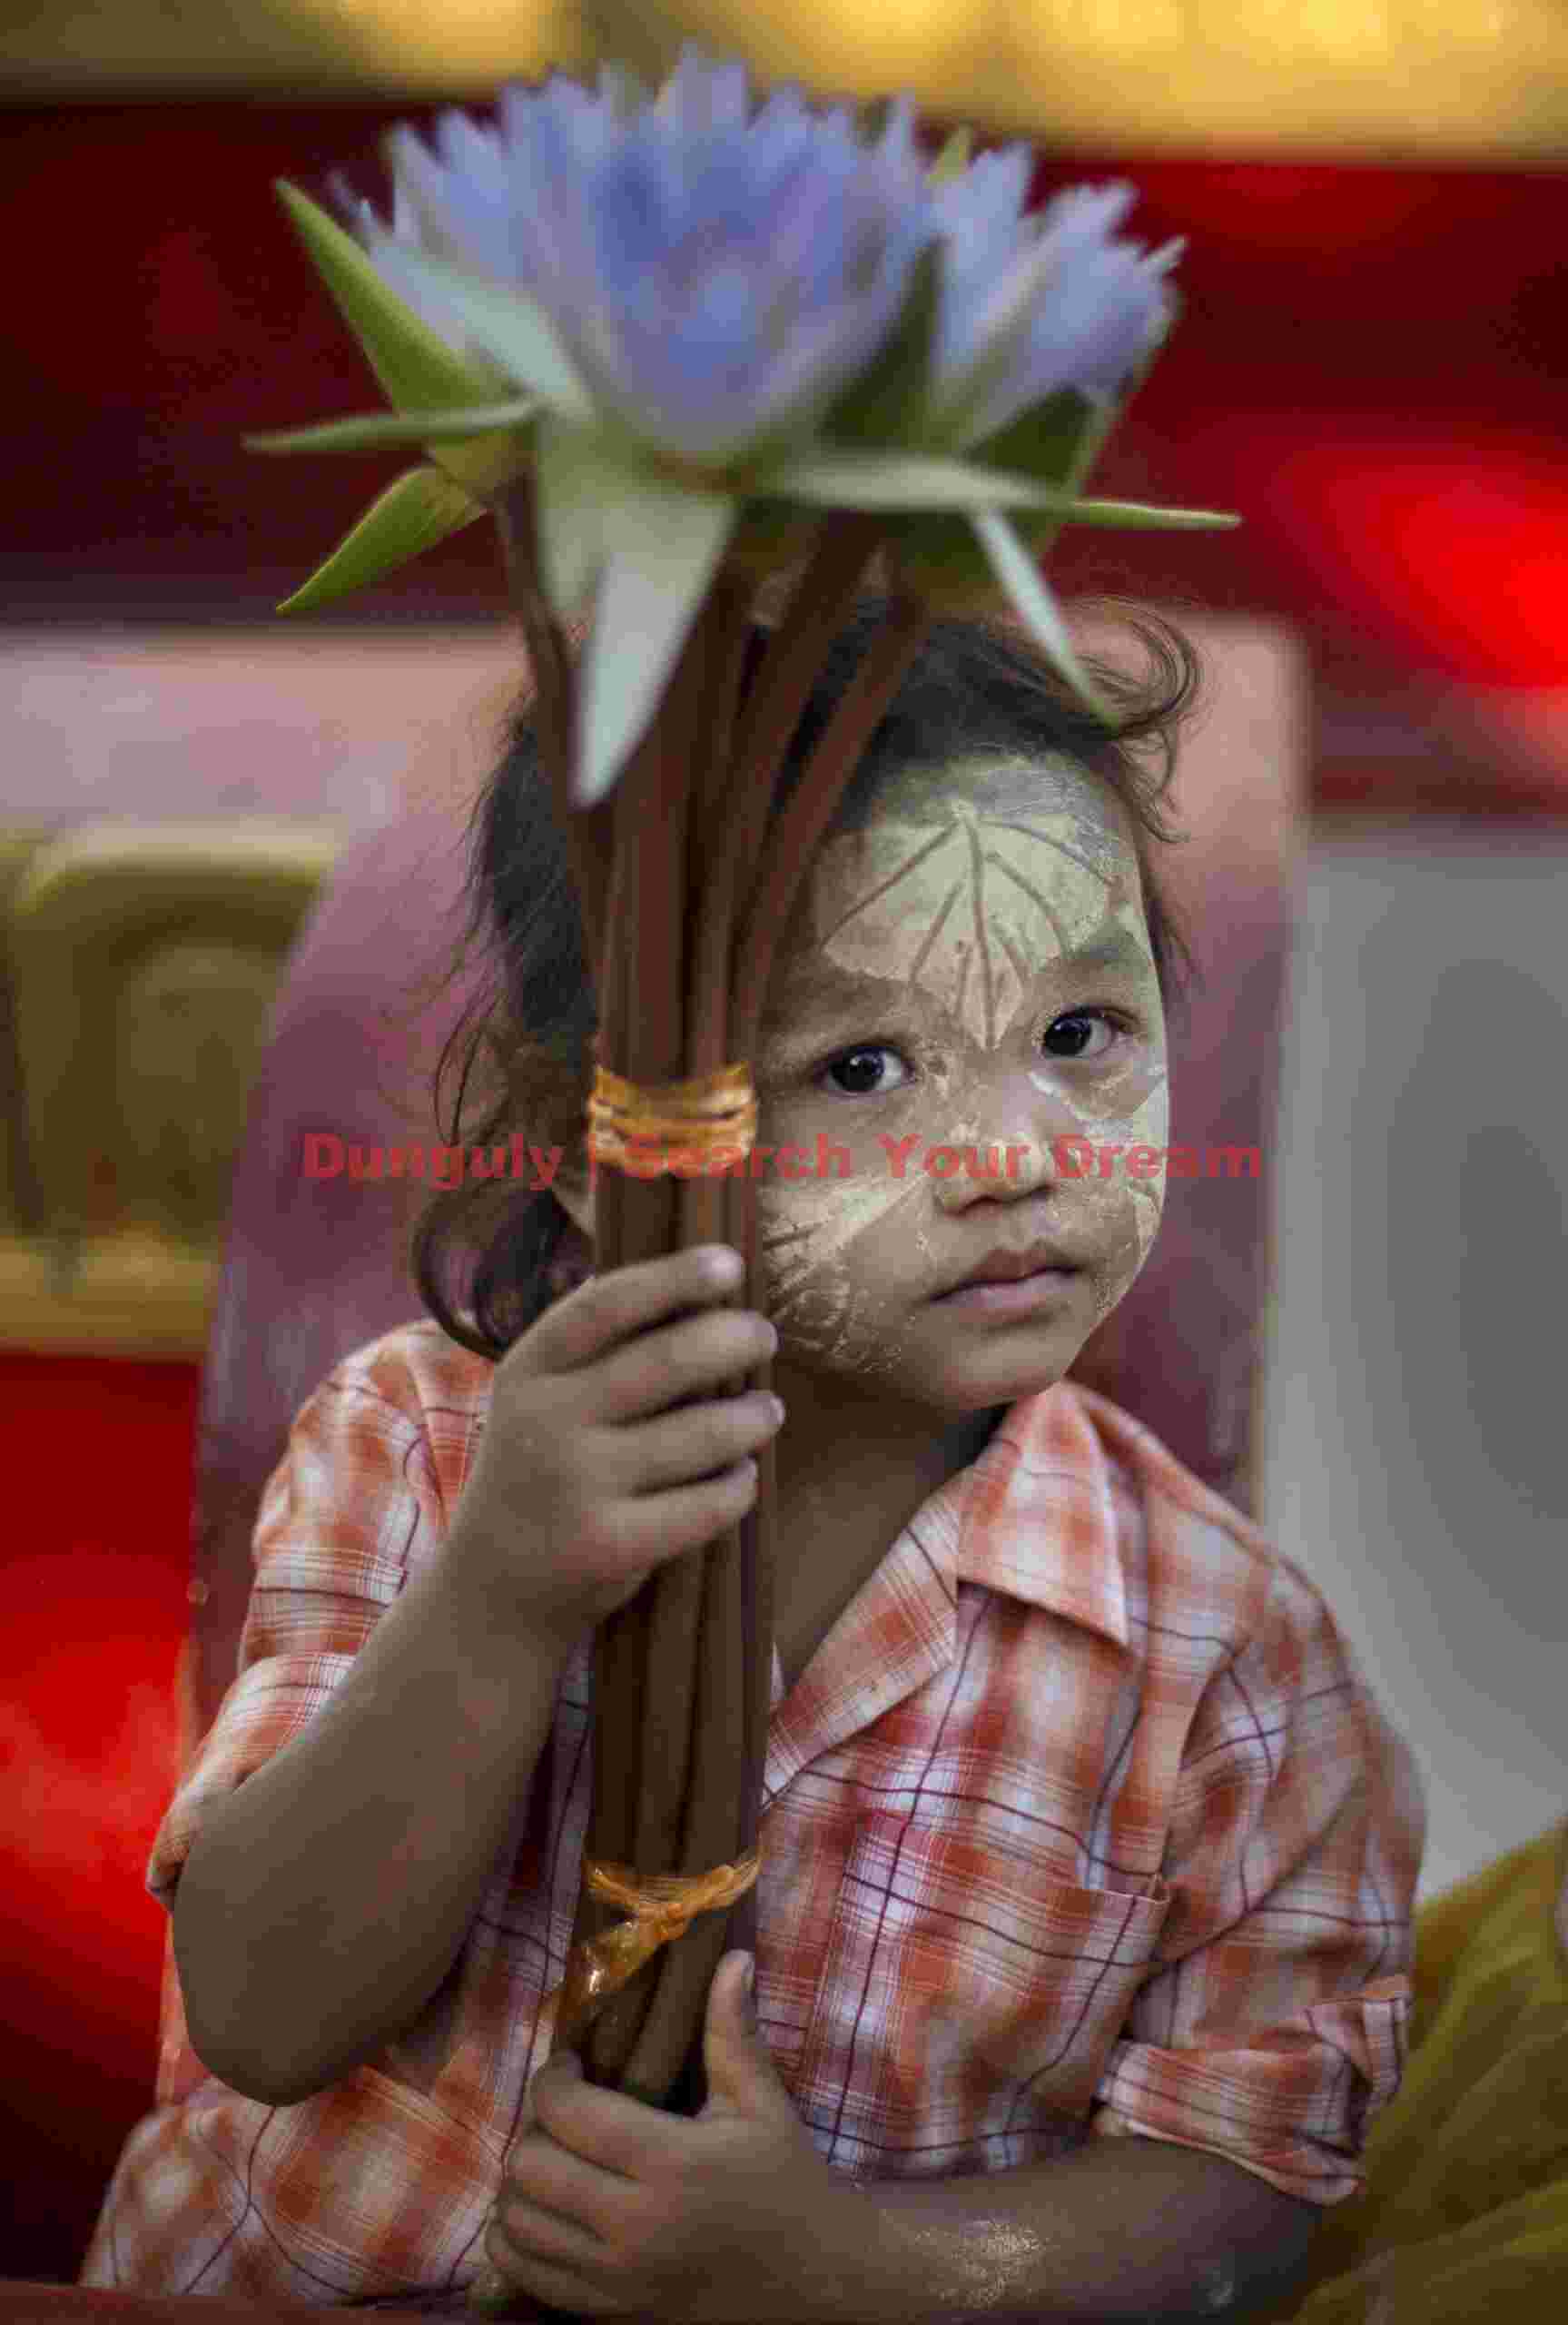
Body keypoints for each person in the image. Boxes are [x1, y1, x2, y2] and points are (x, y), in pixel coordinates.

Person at [79, 591, 1426, 2319]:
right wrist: (500, 1594)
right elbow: (264, 2018)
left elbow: (1248, 2194)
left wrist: (834, 2264)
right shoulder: (412, 1451)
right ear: (591, 1135)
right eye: (863, 1064)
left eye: (1080, 1036)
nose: (1014, 1155)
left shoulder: (1233, 1671)